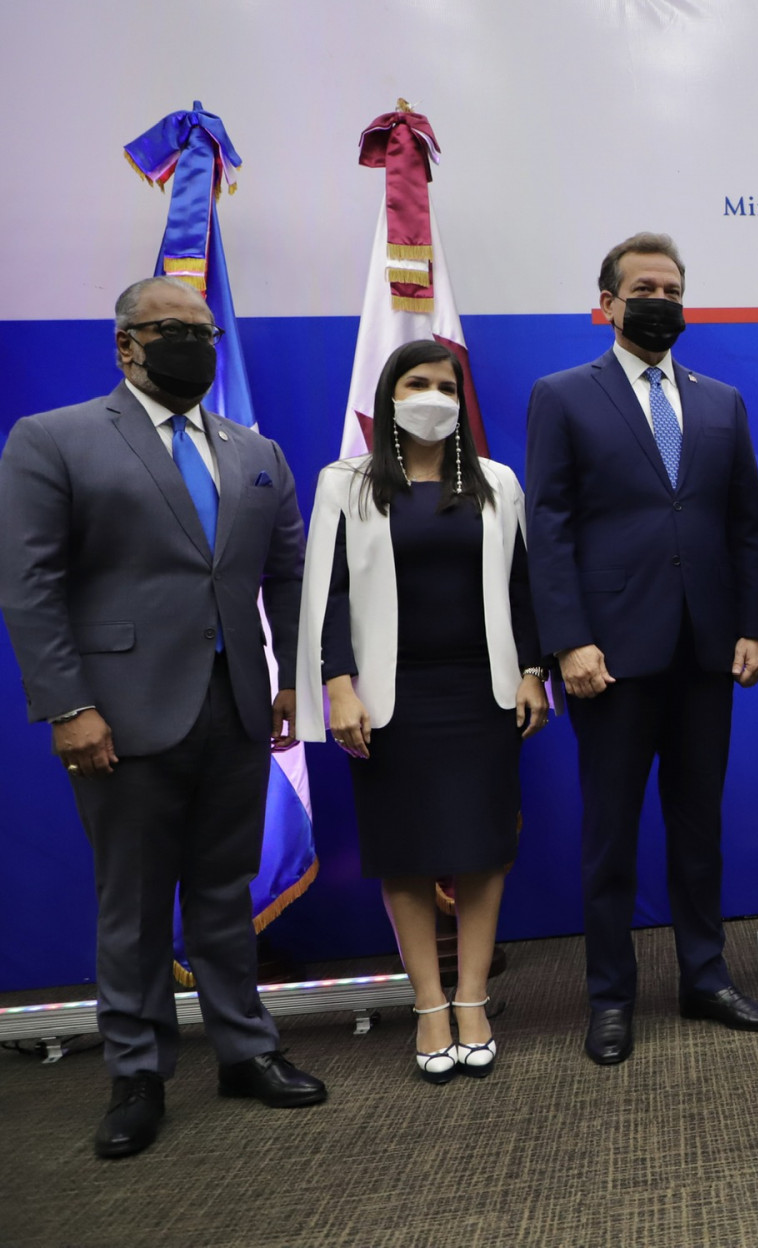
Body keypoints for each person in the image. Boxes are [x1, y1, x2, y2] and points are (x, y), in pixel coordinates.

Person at [0, 277, 326, 1160]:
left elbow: (289, 575)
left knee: (224, 891)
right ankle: (137, 1074)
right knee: (135, 905)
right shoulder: (53, 439)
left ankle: (245, 1051)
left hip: (238, 708)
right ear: (125, 345)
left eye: (203, 332)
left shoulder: (255, 449)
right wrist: (69, 705)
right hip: (118, 716)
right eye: (170, 329)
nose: (192, 345)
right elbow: (30, 587)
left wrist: (292, 681)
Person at [525, 232, 758, 1065]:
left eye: (672, 289)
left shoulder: (721, 401)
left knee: (698, 828)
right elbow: (549, 528)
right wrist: (569, 642)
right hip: (609, 658)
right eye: (644, 288)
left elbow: (747, 524)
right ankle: (611, 998)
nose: (660, 301)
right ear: (607, 303)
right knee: (611, 837)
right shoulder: (562, 395)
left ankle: (705, 978)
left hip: (707, 650)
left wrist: (754, 625)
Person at [294, 340, 548, 1084]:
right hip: (387, 699)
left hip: (482, 692)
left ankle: (472, 999)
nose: (433, 396)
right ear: (389, 395)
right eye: (416, 383)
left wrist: (534, 672)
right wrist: (338, 684)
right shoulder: (346, 483)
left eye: (446, 385)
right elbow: (328, 592)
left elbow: (524, 586)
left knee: (482, 849)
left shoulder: (497, 481)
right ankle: (430, 1005)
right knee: (403, 853)